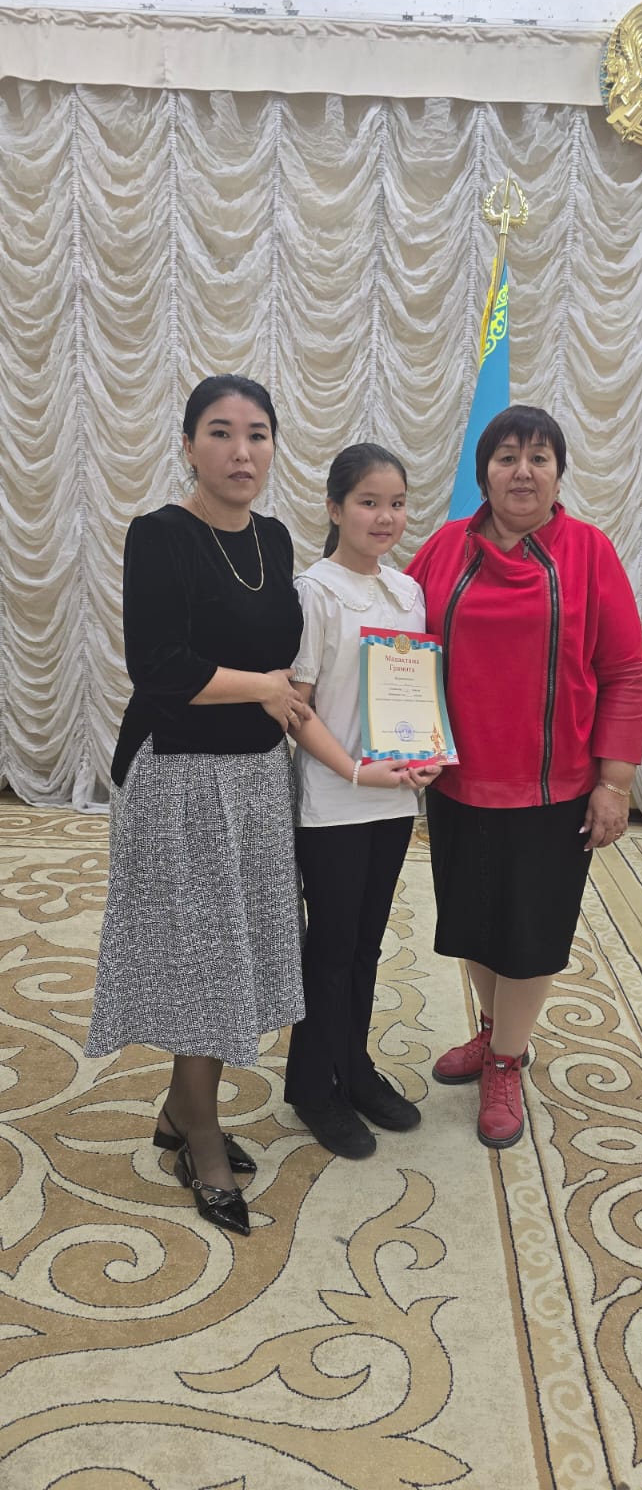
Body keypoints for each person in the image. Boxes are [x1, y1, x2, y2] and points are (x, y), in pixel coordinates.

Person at [86, 375, 311, 1236]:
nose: (240, 451)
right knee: (202, 956)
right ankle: (200, 1133)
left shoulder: (274, 539)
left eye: (257, 434)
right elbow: (160, 666)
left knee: (232, 948)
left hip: (255, 775)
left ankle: (181, 1112)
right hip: (178, 773)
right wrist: (265, 687)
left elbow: (287, 655)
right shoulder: (160, 534)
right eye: (220, 432)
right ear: (188, 446)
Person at [406, 405, 642, 1149]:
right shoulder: (444, 547)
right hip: (458, 782)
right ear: (483, 473)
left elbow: (625, 671)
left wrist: (614, 783)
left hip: (554, 789)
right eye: (506, 456)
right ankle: (493, 1030)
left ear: (558, 474)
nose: (522, 471)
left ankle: (507, 1060)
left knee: (531, 933)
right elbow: (398, 644)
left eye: (539, 458)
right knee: (474, 922)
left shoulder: (588, 552)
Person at [284, 444, 440, 1159]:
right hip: (334, 800)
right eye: (369, 502)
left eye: (396, 504)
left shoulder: (407, 592)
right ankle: (312, 1086)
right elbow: (297, 706)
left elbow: (412, 694)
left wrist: (425, 753)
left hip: (392, 800)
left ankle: (354, 1069)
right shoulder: (314, 591)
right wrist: (355, 771)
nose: (385, 517)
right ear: (335, 508)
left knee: (367, 945)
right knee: (331, 947)